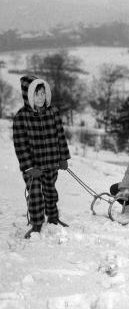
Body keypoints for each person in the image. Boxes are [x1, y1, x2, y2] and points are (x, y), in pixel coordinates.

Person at [13, 75, 71, 239]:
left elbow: (60, 136)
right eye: (37, 94)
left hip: (51, 162)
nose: (41, 98)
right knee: (36, 194)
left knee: (50, 191)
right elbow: (20, 144)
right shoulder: (21, 117)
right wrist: (29, 167)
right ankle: (37, 223)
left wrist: (63, 157)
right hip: (33, 167)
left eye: (43, 94)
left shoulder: (53, 112)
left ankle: (53, 217)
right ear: (28, 96)